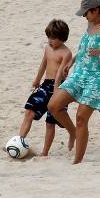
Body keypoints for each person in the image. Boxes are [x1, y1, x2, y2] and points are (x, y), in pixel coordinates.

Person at [48, 0, 100, 164]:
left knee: (81, 118)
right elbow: (83, 48)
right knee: (53, 105)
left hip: (97, 77)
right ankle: (72, 132)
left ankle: (77, 161)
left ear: (96, 10)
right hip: (80, 73)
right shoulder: (90, 24)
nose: (84, 16)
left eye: (86, 13)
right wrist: (70, 62)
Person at [17, 19, 72, 156]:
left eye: (53, 38)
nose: (49, 41)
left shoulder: (66, 53)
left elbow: (61, 73)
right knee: (29, 111)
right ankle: (19, 141)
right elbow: (43, 64)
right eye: (48, 37)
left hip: (59, 87)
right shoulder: (47, 48)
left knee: (50, 122)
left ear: (62, 38)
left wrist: (57, 89)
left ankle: (45, 152)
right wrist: (37, 80)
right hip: (45, 85)